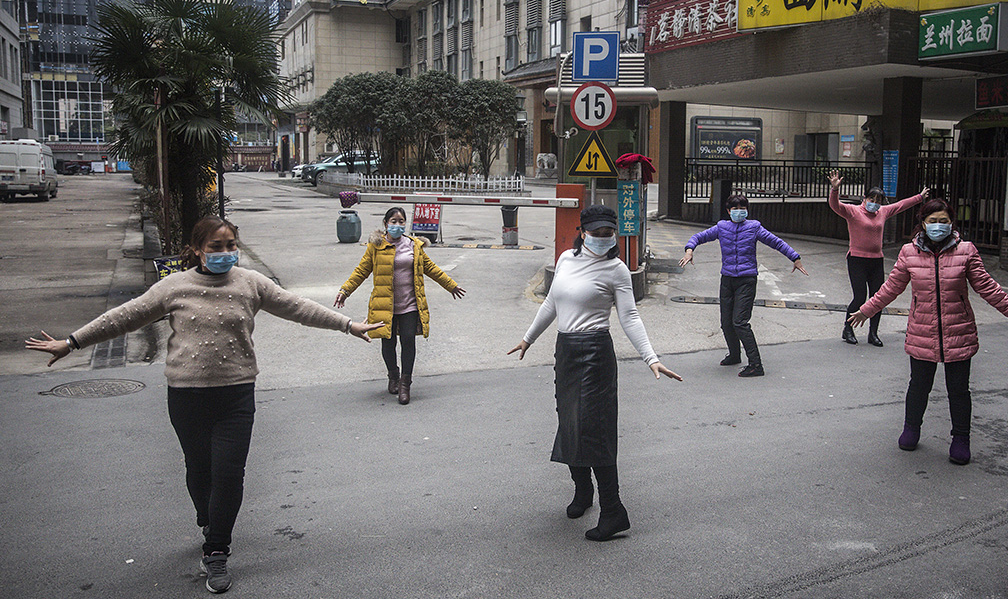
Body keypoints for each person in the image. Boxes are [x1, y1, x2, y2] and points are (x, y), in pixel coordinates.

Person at [26, 216, 382, 594]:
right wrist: (72, 342)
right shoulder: (174, 287)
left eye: (231, 246)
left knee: (228, 474)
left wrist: (347, 325)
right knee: (199, 471)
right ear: (196, 249)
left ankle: (216, 550)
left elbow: (298, 307)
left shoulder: (250, 283)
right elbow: (124, 317)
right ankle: (208, 518)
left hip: (236, 394)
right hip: (187, 396)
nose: (226, 253)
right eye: (216, 247)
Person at [507, 205, 682, 542]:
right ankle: (583, 491)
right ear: (582, 231)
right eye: (597, 232)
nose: (603, 238)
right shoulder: (565, 261)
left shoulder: (616, 269)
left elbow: (629, 316)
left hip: (595, 354)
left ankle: (614, 510)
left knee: (594, 430)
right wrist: (528, 338)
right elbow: (552, 304)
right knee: (570, 422)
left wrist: (651, 358)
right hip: (567, 351)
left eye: (608, 233)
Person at [849, 199, 1008, 465]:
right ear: (923, 223)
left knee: (959, 391)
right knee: (918, 386)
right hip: (921, 331)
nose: (938, 226)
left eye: (943, 221)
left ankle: (961, 439)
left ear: (951, 223)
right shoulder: (909, 252)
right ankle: (911, 429)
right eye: (933, 221)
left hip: (959, 330)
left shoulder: (966, 251)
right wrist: (866, 310)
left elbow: (987, 287)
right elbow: (891, 288)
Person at [335, 206, 465, 405]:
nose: (397, 225)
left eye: (401, 221)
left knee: (408, 341)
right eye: (393, 221)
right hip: (384, 304)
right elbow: (361, 271)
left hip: (410, 304)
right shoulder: (376, 246)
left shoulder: (414, 245)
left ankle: (405, 384)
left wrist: (451, 285)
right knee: (388, 343)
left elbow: (431, 269)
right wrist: (345, 291)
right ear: (386, 224)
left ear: (406, 223)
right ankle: (393, 376)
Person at [679, 193, 808, 377]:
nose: (739, 212)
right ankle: (734, 355)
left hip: (747, 280)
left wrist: (795, 257)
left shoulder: (754, 227)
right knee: (726, 322)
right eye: (735, 209)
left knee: (739, 322)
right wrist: (689, 250)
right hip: (727, 279)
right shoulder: (722, 227)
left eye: (742, 209)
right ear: (728, 211)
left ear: (747, 210)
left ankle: (756, 365)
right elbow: (699, 237)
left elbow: (776, 242)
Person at [828, 170, 928, 347]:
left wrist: (919, 197)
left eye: (878, 201)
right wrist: (835, 190)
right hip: (857, 259)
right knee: (860, 297)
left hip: (876, 261)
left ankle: (873, 333)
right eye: (871, 200)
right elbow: (836, 206)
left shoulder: (882, 212)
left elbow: (901, 205)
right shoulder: (853, 212)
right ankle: (848, 329)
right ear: (864, 199)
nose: (874, 204)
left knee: (877, 298)